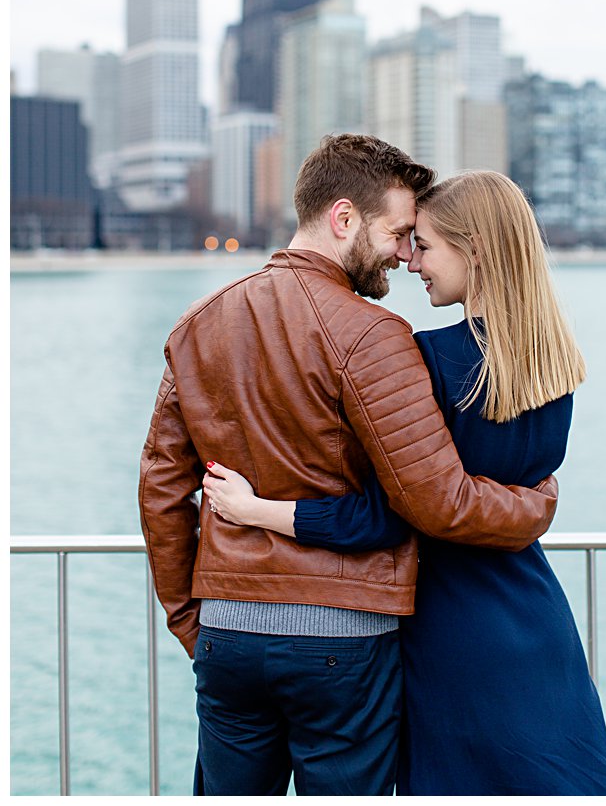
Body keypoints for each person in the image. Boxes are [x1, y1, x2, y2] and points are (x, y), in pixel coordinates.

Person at [139, 134, 560, 796]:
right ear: (343, 219)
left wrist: (193, 621)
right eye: (396, 232)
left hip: (228, 635)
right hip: (344, 639)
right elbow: (436, 501)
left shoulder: (199, 323)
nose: (402, 252)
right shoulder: (375, 336)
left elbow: (161, 492)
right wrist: (534, 505)